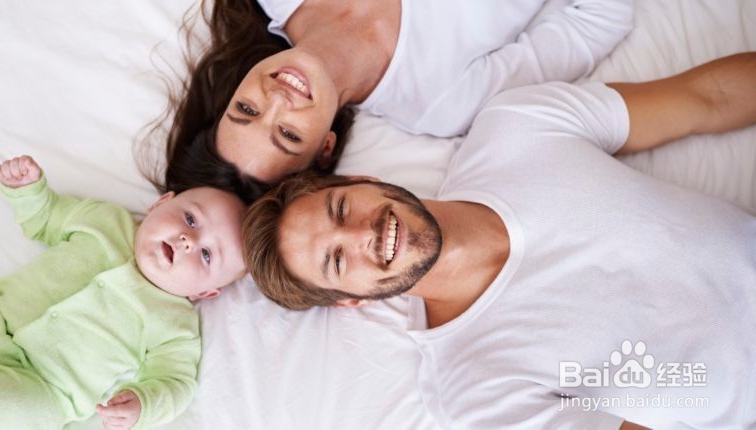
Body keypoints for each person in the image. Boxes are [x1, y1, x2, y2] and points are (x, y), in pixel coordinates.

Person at [241, 53, 756, 428]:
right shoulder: (472, 393)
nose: (362, 234)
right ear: (350, 299)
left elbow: (707, 98)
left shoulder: (514, 128)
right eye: (336, 260)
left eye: (340, 209)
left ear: (360, 181)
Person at [162, 0, 634, 201]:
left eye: (246, 110)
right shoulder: (441, 101)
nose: (277, 100)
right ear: (325, 148)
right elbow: (601, 17)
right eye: (287, 134)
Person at [0, 156, 246, 430]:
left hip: (39, 386)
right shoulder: (105, 220)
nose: (188, 241)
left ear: (206, 292)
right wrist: (29, 191)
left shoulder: (175, 324)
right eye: (190, 219)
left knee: (2, 411)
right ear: (161, 203)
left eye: (206, 255)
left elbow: (175, 382)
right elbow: (47, 218)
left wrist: (143, 403)